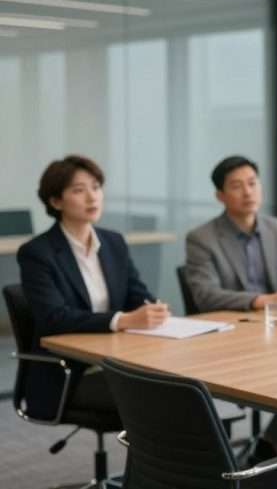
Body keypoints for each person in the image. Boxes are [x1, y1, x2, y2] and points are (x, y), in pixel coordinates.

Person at [17, 155, 169, 421]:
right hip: (71, 375)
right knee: (161, 398)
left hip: (117, 360)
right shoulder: (37, 253)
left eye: (96, 187)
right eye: (79, 190)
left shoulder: (113, 242)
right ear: (56, 201)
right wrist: (122, 320)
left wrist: (151, 308)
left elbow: (136, 293)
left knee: (181, 389)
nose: (92, 197)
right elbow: (54, 318)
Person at [184, 155, 277, 460]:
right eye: (237, 186)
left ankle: (272, 444)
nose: (247, 192)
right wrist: (259, 301)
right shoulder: (202, 238)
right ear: (220, 196)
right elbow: (205, 295)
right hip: (231, 339)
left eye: (252, 183)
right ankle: (218, 461)